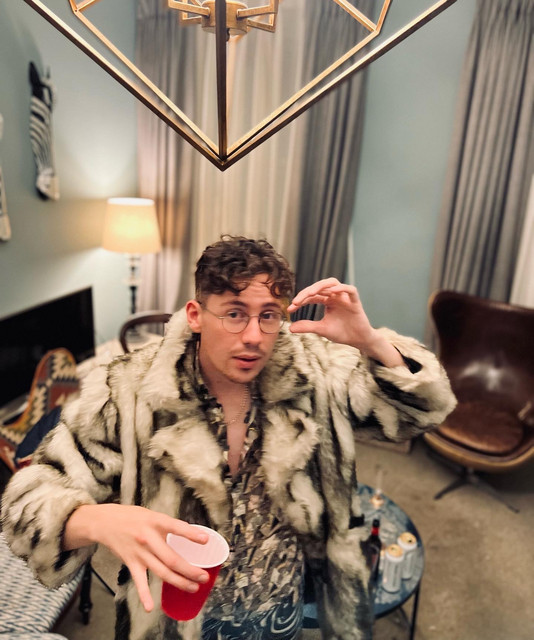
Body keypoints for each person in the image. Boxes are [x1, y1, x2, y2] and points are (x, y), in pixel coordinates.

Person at [1, 236, 456, 640]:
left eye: (268, 316)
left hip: (280, 605)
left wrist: (371, 342)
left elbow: (423, 410)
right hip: (175, 618)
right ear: (196, 315)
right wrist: (96, 520)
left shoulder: (314, 374)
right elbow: (26, 501)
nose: (254, 337)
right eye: (235, 314)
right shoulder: (128, 391)